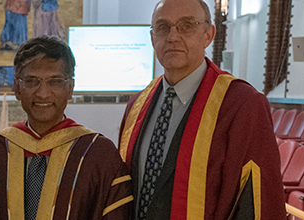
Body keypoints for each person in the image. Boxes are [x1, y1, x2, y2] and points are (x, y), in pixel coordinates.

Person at [117, 0, 285, 219]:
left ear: (208, 34)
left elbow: (256, 201)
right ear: (152, 38)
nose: (173, 37)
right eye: (162, 27)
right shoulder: (137, 105)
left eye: (187, 25)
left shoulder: (241, 104)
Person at [0, 36, 133, 220]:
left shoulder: (99, 155)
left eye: (55, 81)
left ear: (70, 88)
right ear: (17, 88)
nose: (43, 93)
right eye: (32, 81)